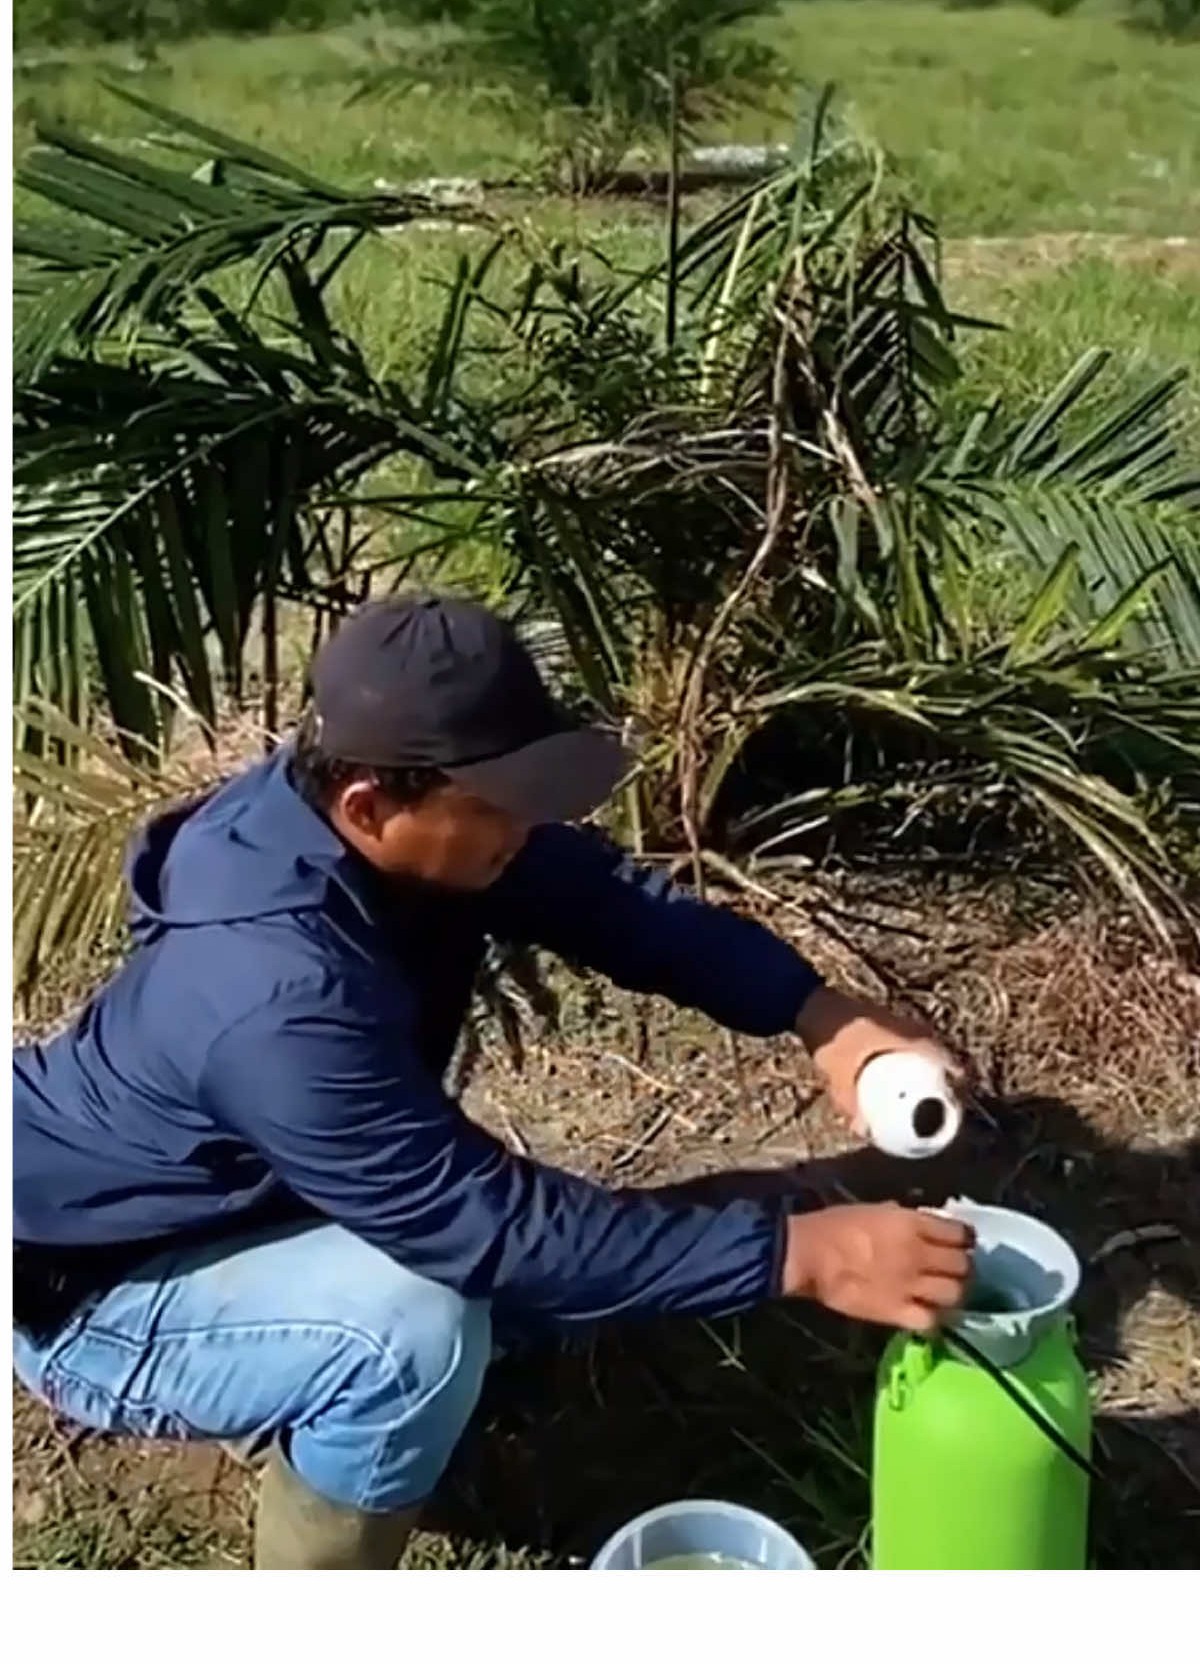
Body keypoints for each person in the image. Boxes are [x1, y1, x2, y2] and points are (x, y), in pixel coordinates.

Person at [13, 594, 973, 1570]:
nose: (529, 825)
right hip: (100, 1287)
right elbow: (489, 1226)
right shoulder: (275, 996)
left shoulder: (384, 813)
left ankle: (327, 1352)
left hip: (240, 1193)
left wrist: (817, 1012)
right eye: (498, 805)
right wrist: (799, 1253)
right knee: (410, 1328)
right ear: (368, 806)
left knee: (488, 1283)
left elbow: (611, 904)